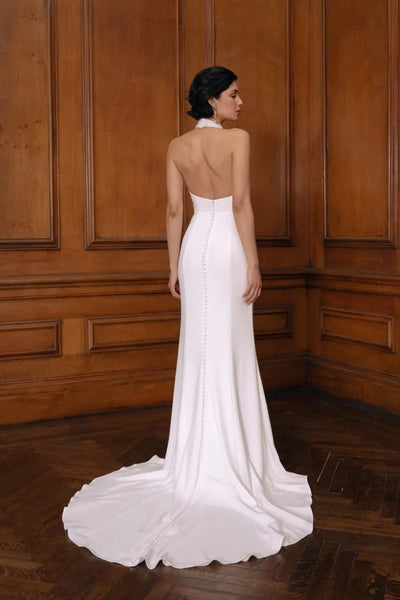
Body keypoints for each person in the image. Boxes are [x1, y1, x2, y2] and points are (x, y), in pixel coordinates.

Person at [62, 66, 313, 569]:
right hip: (227, 248)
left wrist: (172, 265)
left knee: (200, 350)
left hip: (197, 245)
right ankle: (231, 462)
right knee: (229, 347)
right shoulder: (237, 140)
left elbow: (174, 212)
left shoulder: (177, 147)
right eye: (233, 95)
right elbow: (240, 203)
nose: (240, 103)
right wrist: (256, 261)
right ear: (213, 101)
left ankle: (197, 459)